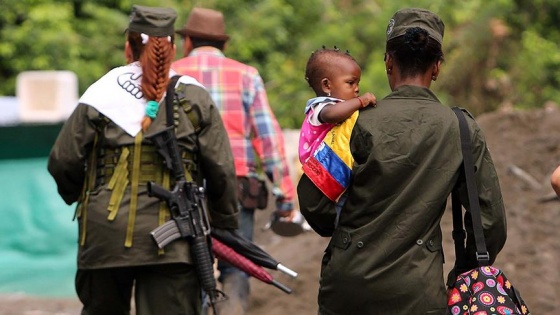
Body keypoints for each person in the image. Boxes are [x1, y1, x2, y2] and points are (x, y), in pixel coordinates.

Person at [297, 8, 508, 314]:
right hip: (418, 291)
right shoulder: (461, 129)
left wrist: (346, 233)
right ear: (436, 67)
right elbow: (491, 223)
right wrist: (460, 275)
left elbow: (315, 204)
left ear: (388, 62)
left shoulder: (353, 123)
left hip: (348, 289)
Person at [47, 5, 239, 315]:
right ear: (173, 49)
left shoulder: (99, 94)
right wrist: (225, 225)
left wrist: (84, 198)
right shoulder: (194, 97)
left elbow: (62, 160)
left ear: (128, 46)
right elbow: (221, 170)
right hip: (174, 240)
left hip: (103, 237)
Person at [171, 7, 297, 315]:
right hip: (235, 185)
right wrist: (285, 196)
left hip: (179, 189)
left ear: (187, 42)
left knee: (187, 268)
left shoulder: (170, 74)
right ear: (223, 44)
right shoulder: (246, 75)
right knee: (237, 267)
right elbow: (267, 138)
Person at [299, 47, 376, 225]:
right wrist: (360, 102)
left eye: (358, 83)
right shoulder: (321, 107)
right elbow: (333, 114)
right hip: (324, 173)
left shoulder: (341, 105)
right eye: (351, 83)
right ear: (327, 85)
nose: (357, 89)